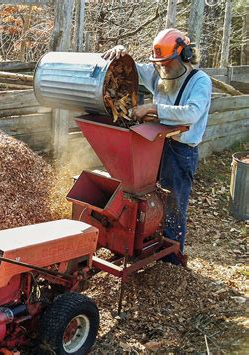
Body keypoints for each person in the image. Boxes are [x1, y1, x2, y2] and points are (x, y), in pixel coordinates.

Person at [102, 28, 212, 265]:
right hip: (157, 144)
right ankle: (148, 245)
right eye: (158, 63)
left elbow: (192, 113)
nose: (162, 68)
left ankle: (171, 261)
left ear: (184, 55)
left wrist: (153, 108)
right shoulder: (159, 73)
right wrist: (122, 53)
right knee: (151, 199)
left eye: (166, 63)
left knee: (173, 205)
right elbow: (134, 69)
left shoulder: (199, 81)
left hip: (181, 151)